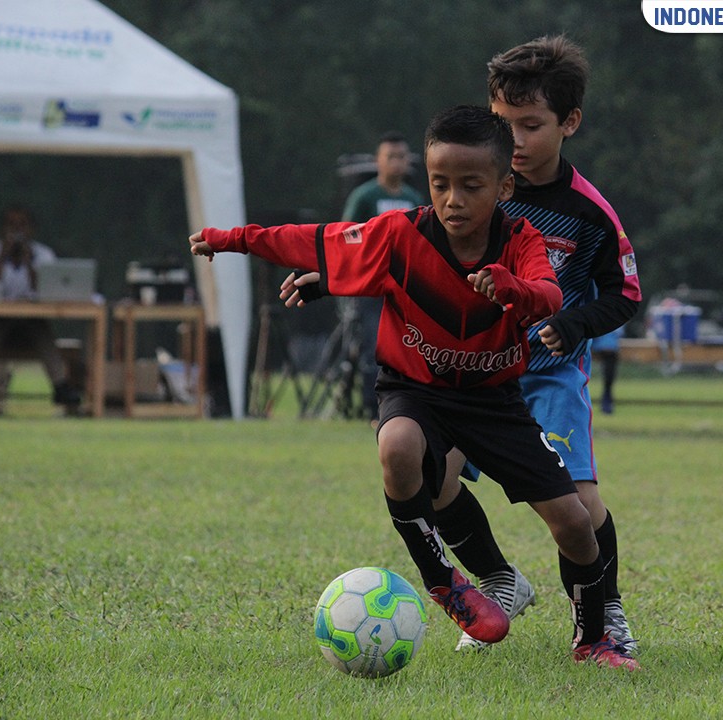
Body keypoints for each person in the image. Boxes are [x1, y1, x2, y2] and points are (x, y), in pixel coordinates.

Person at [193, 105, 637, 668]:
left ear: (504, 186)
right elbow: (314, 240)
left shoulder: (522, 239)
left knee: (575, 523)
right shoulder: (401, 234)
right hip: (417, 388)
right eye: (440, 184)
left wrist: (512, 289)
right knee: (397, 445)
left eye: (470, 186)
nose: (453, 200)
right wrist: (230, 239)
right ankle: (444, 580)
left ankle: (593, 639)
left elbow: (549, 294)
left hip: (494, 400)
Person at [430, 35, 643, 656]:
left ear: (569, 122)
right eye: (502, 123)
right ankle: (500, 582)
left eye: (530, 125)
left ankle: (605, 616)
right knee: (426, 472)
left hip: (547, 378)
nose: (514, 141)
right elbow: (411, 252)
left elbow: (626, 294)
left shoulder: (590, 213)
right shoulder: (473, 186)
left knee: (577, 504)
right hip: (474, 372)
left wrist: (575, 324)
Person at [340, 132, 426, 421]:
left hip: (405, 286)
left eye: (402, 157)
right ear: (378, 161)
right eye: (391, 157)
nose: (397, 163)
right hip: (372, 287)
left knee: (406, 346)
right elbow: (346, 235)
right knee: (373, 346)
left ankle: (406, 404)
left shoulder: (413, 198)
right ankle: (372, 406)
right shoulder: (365, 197)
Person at [0, 204, 81, 412]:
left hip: (31, 324)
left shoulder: (43, 254)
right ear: (2, 228)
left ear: (31, 229)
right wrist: (3, 256)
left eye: (22, 225)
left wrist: (29, 262)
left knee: (40, 327)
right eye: (11, 225)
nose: (17, 231)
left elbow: (47, 292)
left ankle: (61, 385)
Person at [592, 325, 625, 415]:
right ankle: (606, 404)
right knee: (608, 380)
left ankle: (606, 403)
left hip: (607, 350)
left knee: (608, 380)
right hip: (606, 349)